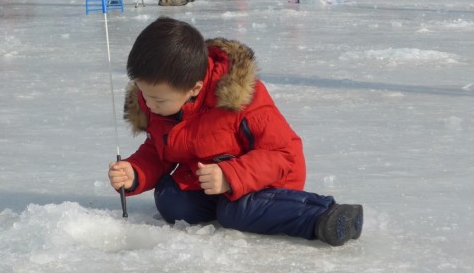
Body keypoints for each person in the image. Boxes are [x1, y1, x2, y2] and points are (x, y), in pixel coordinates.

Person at [108, 16, 364, 247]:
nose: (149, 105)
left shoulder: (239, 99)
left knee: (236, 211)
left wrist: (230, 177)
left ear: (194, 89)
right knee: (171, 199)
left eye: (159, 101)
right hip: (211, 179)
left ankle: (323, 215)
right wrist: (135, 171)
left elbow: (284, 153)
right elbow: (159, 148)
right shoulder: (158, 100)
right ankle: (226, 203)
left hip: (267, 180)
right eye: (144, 94)